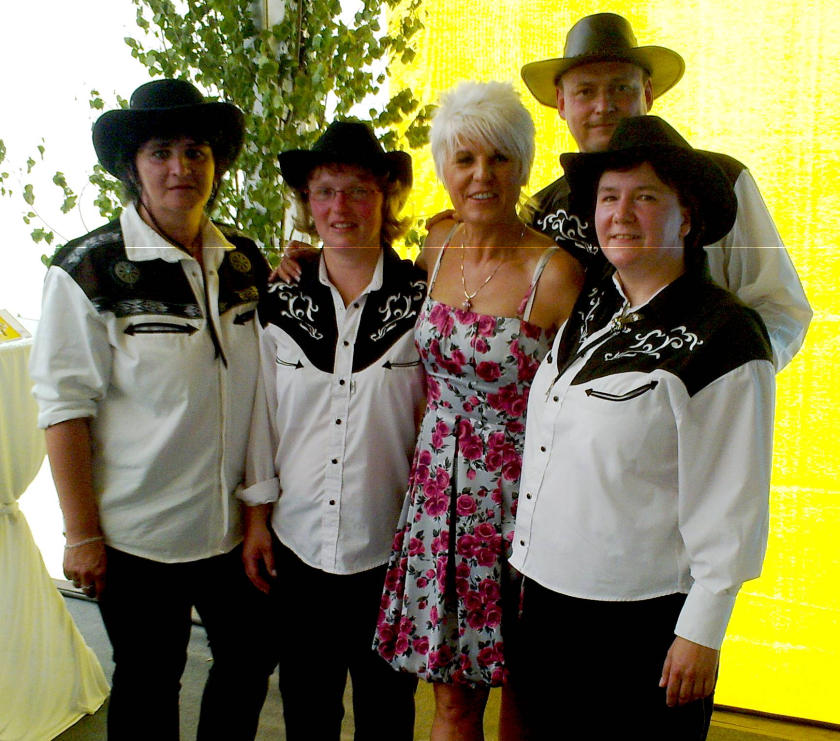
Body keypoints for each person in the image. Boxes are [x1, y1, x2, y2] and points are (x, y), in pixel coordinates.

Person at [509, 116, 776, 739]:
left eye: (645, 197)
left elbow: (734, 501)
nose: (621, 214)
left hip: (642, 622)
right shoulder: (592, 303)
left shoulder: (724, 335)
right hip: (546, 599)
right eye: (609, 197)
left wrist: (702, 631)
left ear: (687, 218)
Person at [29, 79, 275, 740]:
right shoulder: (87, 269)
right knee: (148, 679)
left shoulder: (244, 261)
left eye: (196, 152)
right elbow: (63, 408)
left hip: (232, 530)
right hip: (137, 537)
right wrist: (81, 533)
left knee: (250, 658)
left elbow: (267, 388)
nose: (180, 168)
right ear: (132, 166)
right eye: (160, 152)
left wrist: (258, 512)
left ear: (215, 163)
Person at [372, 81, 584, 740]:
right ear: (444, 167)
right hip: (436, 498)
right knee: (452, 702)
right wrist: (299, 259)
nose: (481, 175)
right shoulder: (435, 247)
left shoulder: (556, 273)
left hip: (520, 506)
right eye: (464, 159)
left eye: (499, 158)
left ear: (523, 166)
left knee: (525, 698)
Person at [240, 120, 423, 740]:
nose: (340, 207)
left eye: (358, 190)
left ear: (385, 199)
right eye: (325, 191)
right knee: (308, 712)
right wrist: (257, 519)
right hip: (298, 547)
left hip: (391, 550)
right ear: (307, 203)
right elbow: (261, 419)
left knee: (388, 716)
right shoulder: (277, 302)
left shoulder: (424, 301)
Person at [520, 11, 811, 370]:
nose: (603, 105)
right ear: (562, 103)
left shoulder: (720, 181)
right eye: (585, 91)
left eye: (621, 88)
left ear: (647, 93)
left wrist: (723, 378)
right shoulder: (542, 208)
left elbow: (779, 308)